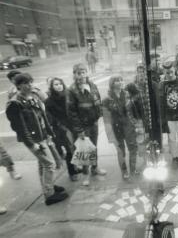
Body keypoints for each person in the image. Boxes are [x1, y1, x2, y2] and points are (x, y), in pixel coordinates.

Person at [6, 73, 68, 205]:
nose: (29, 85)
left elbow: (43, 117)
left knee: (43, 164)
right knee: (49, 164)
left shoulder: (33, 97)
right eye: (26, 83)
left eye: (30, 82)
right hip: (34, 140)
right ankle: (49, 195)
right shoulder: (15, 104)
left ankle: (48, 186)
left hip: (43, 136)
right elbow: (20, 128)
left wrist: (49, 133)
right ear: (18, 86)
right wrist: (32, 144)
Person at [67, 63, 106, 186]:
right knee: (84, 150)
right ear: (74, 74)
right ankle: (86, 174)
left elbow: (98, 101)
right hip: (82, 126)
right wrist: (79, 130)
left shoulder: (92, 85)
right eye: (78, 73)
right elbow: (71, 112)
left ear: (87, 73)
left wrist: (98, 115)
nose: (81, 75)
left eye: (83, 72)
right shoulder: (72, 90)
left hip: (93, 123)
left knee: (93, 147)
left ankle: (95, 168)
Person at [45, 77, 81, 181]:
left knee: (75, 148)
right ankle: (72, 172)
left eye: (60, 83)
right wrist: (62, 127)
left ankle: (76, 167)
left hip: (73, 126)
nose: (59, 86)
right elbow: (50, 118)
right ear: (52, 87)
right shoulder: (49, 101)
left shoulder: (68, 96)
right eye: (56, 84)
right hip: (62, 128)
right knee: (69, 150)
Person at [102, 75, 138, 180]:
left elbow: (133, 111)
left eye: (122, 80)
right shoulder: (106, 100)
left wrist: (136, 124)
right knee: (120, 150)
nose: (121, 82)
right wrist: (110, 135)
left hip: (128, 126)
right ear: (112, 84)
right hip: (116, 127)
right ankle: (124, 172)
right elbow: (106, 119)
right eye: (118, 81)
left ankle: (133, 169)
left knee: (133, 148)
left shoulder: (127, 95)